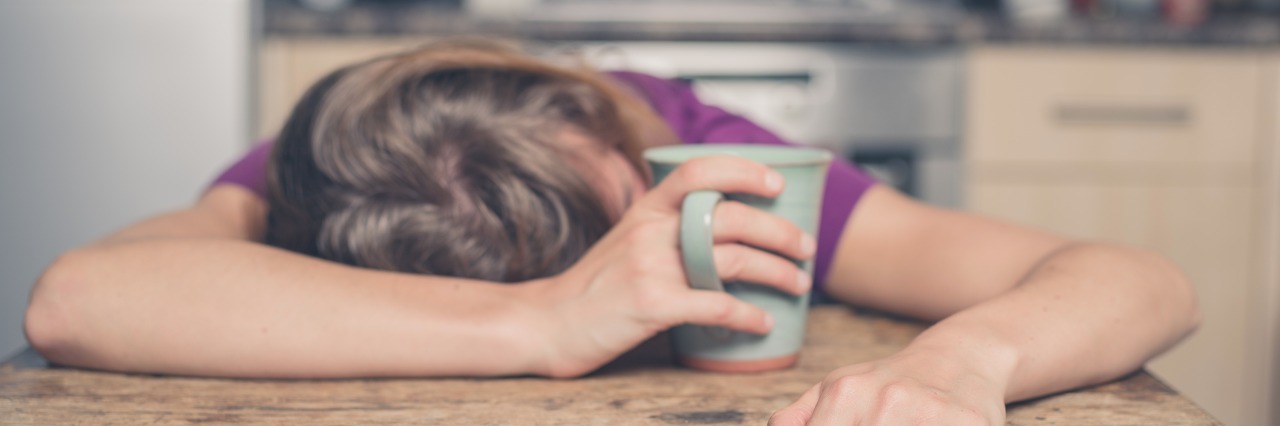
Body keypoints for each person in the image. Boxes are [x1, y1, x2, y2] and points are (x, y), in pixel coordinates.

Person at [23, 39, 1199, 425]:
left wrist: (961, 360)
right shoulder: (341, 163)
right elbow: (77, 300)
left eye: (634, 180)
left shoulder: (694, 140)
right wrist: (541, 320)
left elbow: (1136, 280)